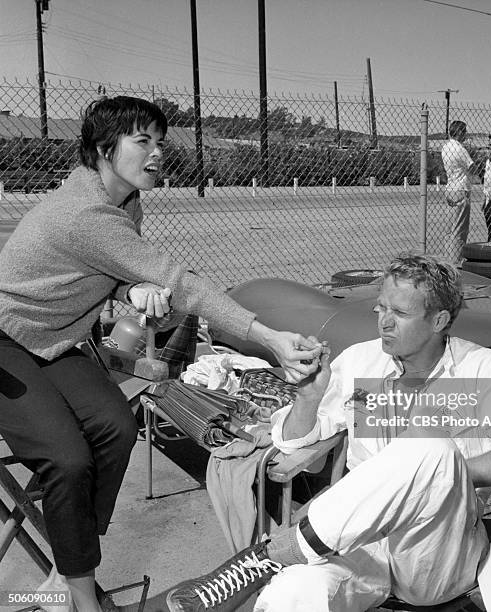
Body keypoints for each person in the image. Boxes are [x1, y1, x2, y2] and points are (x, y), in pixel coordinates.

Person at [0, 96, 321, 612]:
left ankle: (67, 566)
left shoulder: (125, 200)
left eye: (160, 143)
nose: (157, 154)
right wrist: (269, 337)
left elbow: (94, 275)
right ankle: (78, 598)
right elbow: (180, 284)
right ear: (104, 150)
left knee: (117, 427)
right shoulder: (87, 214)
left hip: (55, 339)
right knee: (68, 458)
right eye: (142, 142)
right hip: (6, 345)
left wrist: (128, 293)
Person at [165, 253, 491, 612]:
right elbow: (295, 443)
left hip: (437, 550)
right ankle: (278, 560)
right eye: (380, 308)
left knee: (430, 451)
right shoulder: (361, 362)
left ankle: (274, 552)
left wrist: (446, 474)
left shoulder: (483, 370)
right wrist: (308, 397)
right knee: (291, 592)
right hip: (359, 542)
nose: (383, 322)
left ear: (439, 320)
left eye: (400, 314)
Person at [441, 120, 477, 264]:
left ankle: (449, 257)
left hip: (450, 187)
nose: (466, 134)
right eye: (465, 131)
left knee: (451, 228)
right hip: (461, 189)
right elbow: (472, 166)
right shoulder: (460, 148)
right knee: (460, 229)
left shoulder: (446, 147)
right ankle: (456, 261)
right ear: (460, 132)